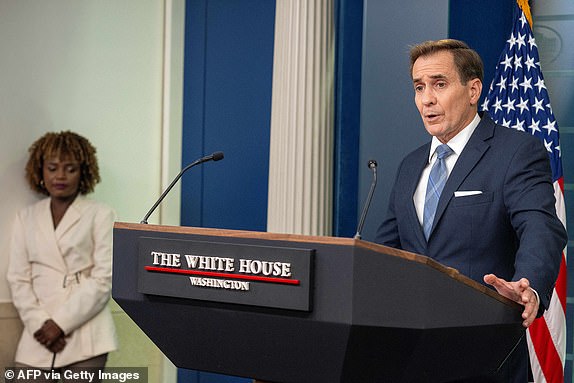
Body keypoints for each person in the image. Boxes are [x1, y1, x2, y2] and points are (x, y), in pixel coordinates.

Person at [374, 39, 567, 382]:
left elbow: (540, 227)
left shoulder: (515, 152)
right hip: (412, 358)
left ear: (473, 89)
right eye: (419, 87)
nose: (427, 99)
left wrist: (529, 284)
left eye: (440, 84)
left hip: (485, 357)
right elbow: (385, 254)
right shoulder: (409, 166)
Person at [7, 131, 118, 382]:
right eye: (53, 168)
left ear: (84, 172)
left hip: (86, 332)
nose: (60, 176)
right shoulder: (27, 217)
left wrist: (60, 324)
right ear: (41, 171)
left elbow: (104, 278)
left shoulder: (101, 214)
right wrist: (40, 325)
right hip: (38, 331)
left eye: (70, 169)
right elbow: (18, 278)